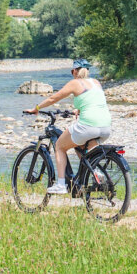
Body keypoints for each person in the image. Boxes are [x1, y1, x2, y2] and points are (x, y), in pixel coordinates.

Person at [31, 58, 111, 195]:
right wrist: (78, 110)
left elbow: (53, 98)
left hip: (88, 126)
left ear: (74, 71)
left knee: (60, 146)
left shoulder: (75, 83)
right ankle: (96, 174)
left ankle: (61, 185)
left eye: (71, 71)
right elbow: (93, 102)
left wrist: (37, 108)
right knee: (81, 147)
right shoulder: (96, 83)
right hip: (105, 127)